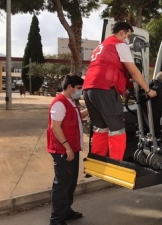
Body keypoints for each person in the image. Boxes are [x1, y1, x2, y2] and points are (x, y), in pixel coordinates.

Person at [83, 21, 156, 161]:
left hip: (89, 89)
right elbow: (134, 72)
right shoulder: (120, 45)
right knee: (117, 128)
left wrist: (123, 91)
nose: (127, 40)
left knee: (100, 128)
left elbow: (109, 68)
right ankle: (116, 163)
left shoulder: (102, 46)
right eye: (127, 36)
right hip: (104, 89)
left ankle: (97, 161)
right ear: (122, 32)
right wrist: (148, 90)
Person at [47, 75, 88, 225]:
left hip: (72, 149)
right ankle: (56, 219)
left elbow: (78, 117)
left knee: (70, 183)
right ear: (69, 87)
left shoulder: (71, 102)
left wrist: (90, 108)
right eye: (78, 88)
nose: (80, 91)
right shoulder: (59, 103)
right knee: (62, 184)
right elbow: (55, 127)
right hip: (63, 151)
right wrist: (67, 147)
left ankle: (66, 211)